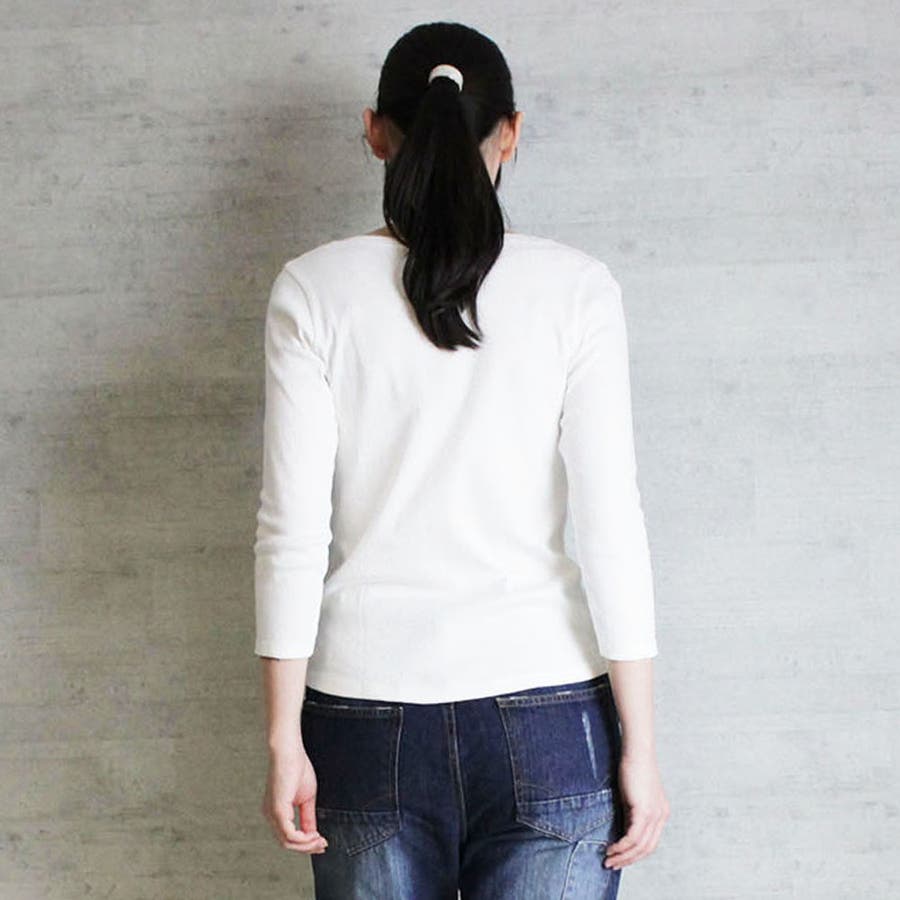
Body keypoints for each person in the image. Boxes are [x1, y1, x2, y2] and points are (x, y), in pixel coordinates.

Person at [254, 20, 669, 899]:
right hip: (551, 713)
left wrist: (284, 737)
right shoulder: (576, 289)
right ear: (510, 133)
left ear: (376, 133)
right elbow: (611, 526)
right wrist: (641, 745)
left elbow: (291, 533)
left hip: (364, 719)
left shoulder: (314, 290)